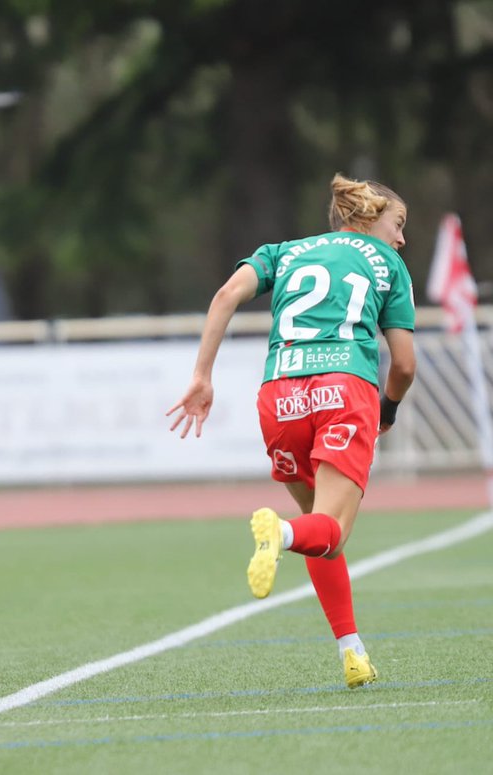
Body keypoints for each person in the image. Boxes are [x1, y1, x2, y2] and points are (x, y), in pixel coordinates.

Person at [167, 173, 416, 689]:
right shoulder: (387, 263)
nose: (402, 238)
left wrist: (202, 375)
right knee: (330, 529)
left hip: (279, 394)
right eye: (399, 224)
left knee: (321, 532)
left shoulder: (284, 251)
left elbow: (225, 295)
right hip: (342, 389)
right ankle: (277, 534)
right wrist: (386, 409)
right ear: (368, 220)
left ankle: (352, 651)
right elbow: (405, 365)